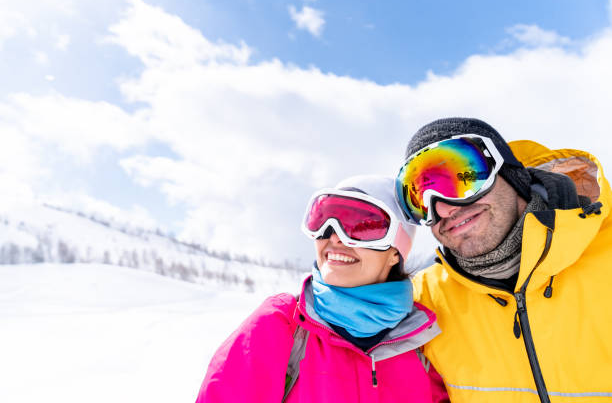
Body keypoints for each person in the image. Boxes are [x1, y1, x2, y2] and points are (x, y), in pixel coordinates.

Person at [395, 117, 612, 403]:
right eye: (421, 199)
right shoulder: (427, 303)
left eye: (465, 180)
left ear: (512, 175)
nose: (444, 209)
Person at [196, 175, 449, 402]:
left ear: (396, 253)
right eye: (325, 221)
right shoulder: (283, 325)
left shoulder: (423, 343)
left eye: (362, 227)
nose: (335, 237)